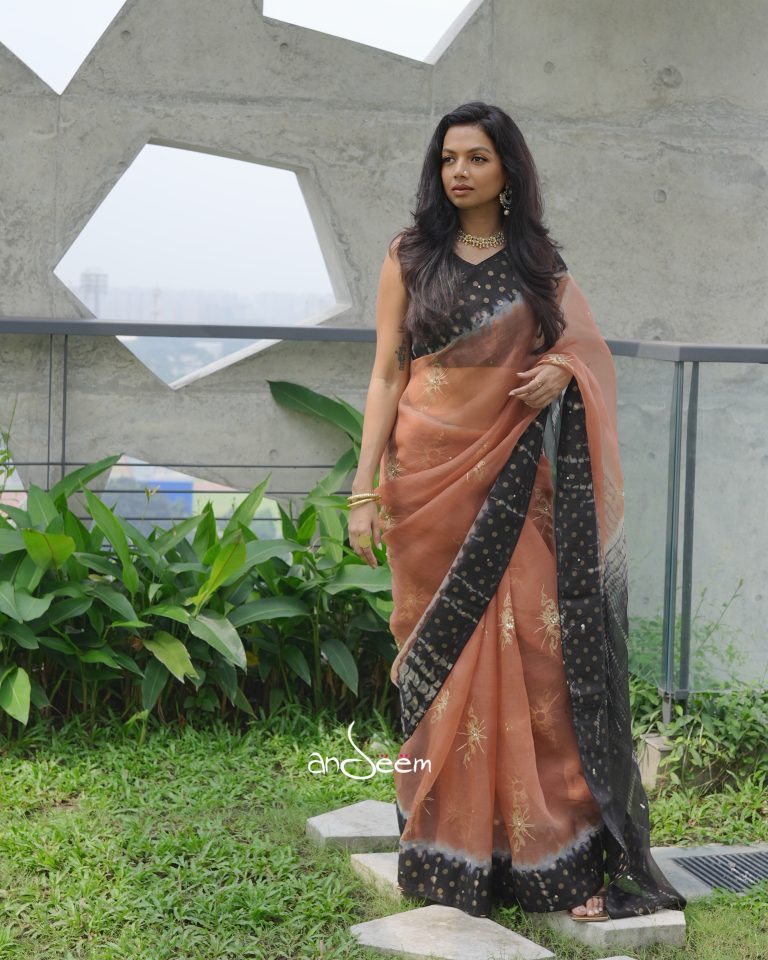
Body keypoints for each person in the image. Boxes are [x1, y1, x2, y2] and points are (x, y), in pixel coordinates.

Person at [347, 101, 686, 923]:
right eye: (448, 159)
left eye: (477, 158)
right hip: (424, 485)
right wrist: (362, 492)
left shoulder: (538, 264)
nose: (459, 172)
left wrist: (565, 371)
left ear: (507, 170)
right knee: (439, 664)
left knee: (540, 658)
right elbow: (388, 373)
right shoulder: (409, 256)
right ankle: (450, 849)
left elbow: (584, 350)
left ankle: (551, 854)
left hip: (511, 483)